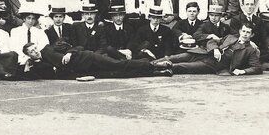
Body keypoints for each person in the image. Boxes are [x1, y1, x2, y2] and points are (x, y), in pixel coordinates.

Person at [24, 40, 171, 80]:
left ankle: (154, 64)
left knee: (118, 64)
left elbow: (78, 46)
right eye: (31, 52)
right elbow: (28, 76)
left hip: (90, 58)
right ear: (29, 55)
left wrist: (69, 53)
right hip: (87, 71)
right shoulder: (39, 65)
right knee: (119, 74)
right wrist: (27, 64)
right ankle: (159, 72)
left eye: (35, 48)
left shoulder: (48, 49)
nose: (35, 52)